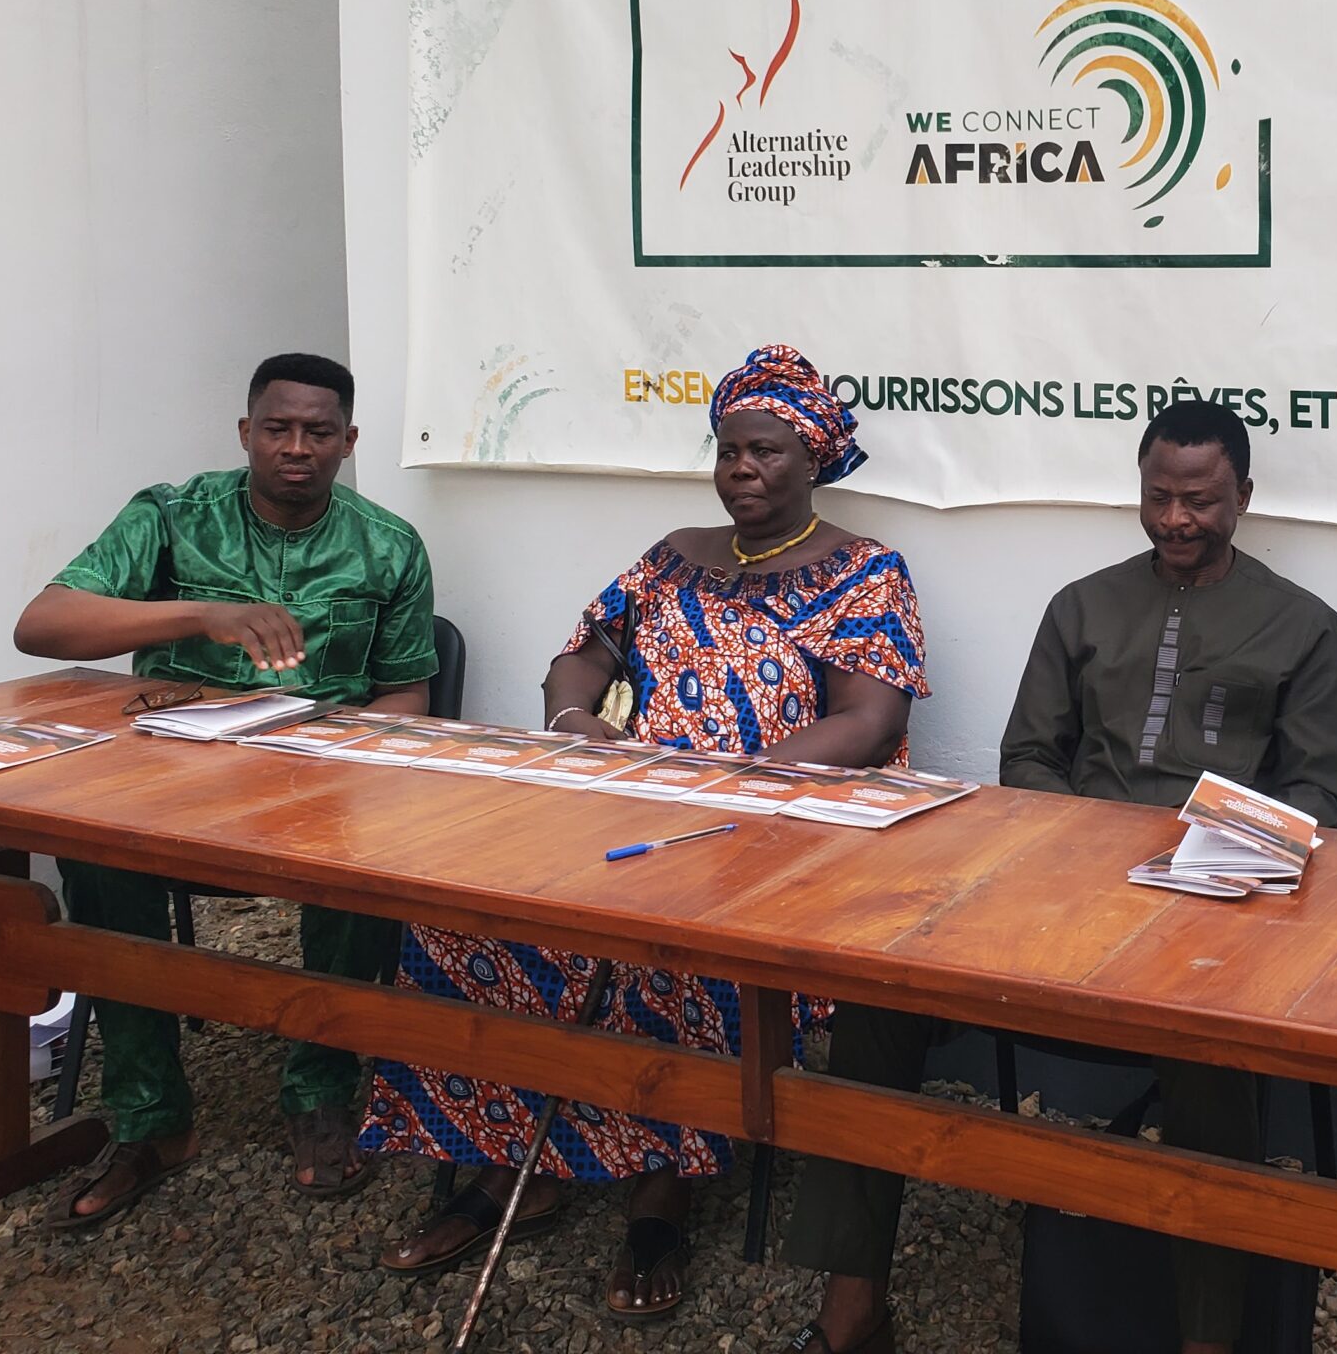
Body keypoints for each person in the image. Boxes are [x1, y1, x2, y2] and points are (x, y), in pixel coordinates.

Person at [362, 344, 927, 1322]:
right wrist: (576, 722)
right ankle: (511, 1158)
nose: (741, 469)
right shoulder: (672, 556)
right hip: (631, 804)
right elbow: (580, 656)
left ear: (814, 458)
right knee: (474, 918)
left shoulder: (865, 573)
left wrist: (729, 784)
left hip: (773, 830)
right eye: (728, 451)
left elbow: (869, 723)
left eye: (764, 451)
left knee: (667, 945)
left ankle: (661, 1187)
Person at [782, 398, 1337, 1354]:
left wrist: (1218, 854)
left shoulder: (1304, 626)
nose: (1176, 519)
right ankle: (851, 1312)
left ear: (1244, 498)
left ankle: (1207, 1339)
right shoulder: (1083, 607)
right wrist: (1094, 851)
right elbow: (1029, 758)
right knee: (877, 992)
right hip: (1061, 900)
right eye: (1159, 497)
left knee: (1214, 1046)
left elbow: (1322, 798)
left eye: (1200, 501)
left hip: (1212, 922)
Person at [14, 351, 438, 1227]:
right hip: (168, 779)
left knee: (363, 853)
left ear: (350, 441)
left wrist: (355, 754)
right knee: (95, 855)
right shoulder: (173, 516)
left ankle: (319, 1088)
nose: (296, 448)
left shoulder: (389, 545)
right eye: (277, 428)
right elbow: (42, 625)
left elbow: (407, 693)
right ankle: (149, 1120)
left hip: (316, 784)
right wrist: (201, 613)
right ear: (245, 432)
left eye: (318, 432)